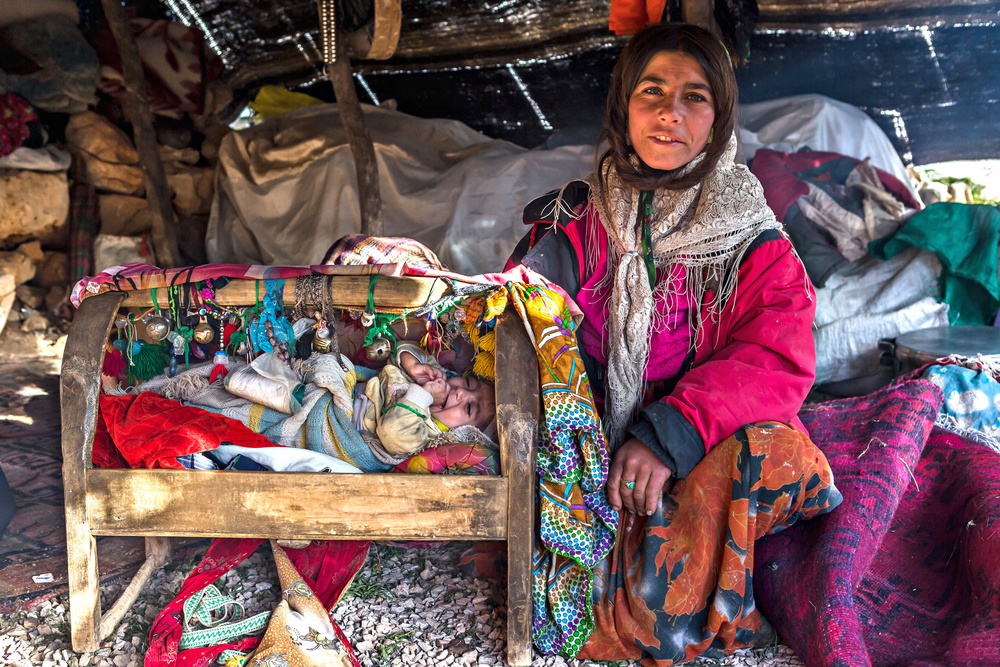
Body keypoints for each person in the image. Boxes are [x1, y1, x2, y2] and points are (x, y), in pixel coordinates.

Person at [507, 22, 843, 664]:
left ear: (718, 120)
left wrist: (668, 435)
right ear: (623, 107)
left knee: (774, 453)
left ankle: (674, 593)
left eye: (695, 97)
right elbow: (520, 325)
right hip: (592, 455)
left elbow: (777, 358)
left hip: (696, 449)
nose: (670, 112)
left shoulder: (754, 241)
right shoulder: (572, 224)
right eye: (652, 91)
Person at [358, 342, 496, 457]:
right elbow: (405, 347)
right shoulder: (438, 377)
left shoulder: (431, 439)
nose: (461, 391)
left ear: (465, 433)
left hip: (355, 429)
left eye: (469, 407)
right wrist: (413, 366)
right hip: (356, 387)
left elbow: (392, 431)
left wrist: (424, 394)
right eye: (468, 383)